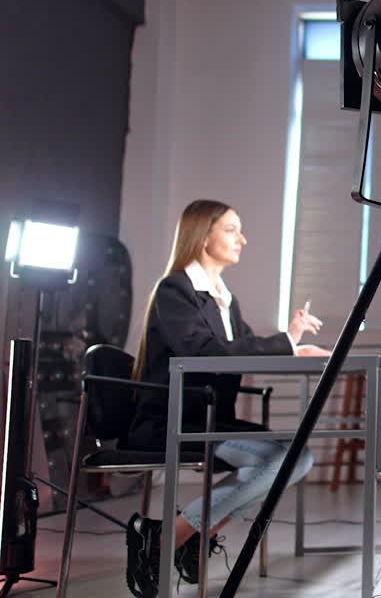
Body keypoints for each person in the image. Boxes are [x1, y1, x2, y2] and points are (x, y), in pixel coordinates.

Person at [123, 200, 328, 597]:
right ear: (203, 235)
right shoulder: (175, 291)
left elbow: (244, 347)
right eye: (232, 229)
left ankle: (176, 535)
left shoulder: (224, 297)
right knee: (283, 459)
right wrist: (285, 343)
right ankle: (168, 542)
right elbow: (204, 352)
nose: (243, 239)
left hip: (212, 422)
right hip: (173, 423)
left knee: (298, 458)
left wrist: (292, 343)